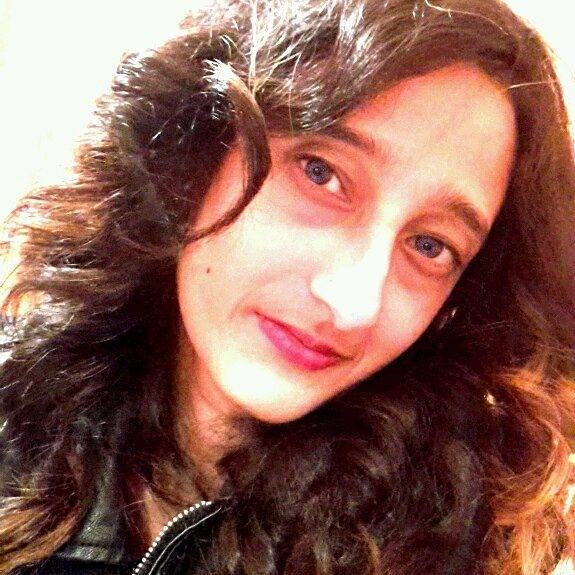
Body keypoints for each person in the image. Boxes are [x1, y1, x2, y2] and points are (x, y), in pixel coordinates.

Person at [1, 0, 574, 573]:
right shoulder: (18, 404)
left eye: (430, 245)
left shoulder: (458, 545)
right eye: (322, 174)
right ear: (200, 148)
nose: (354, 303)